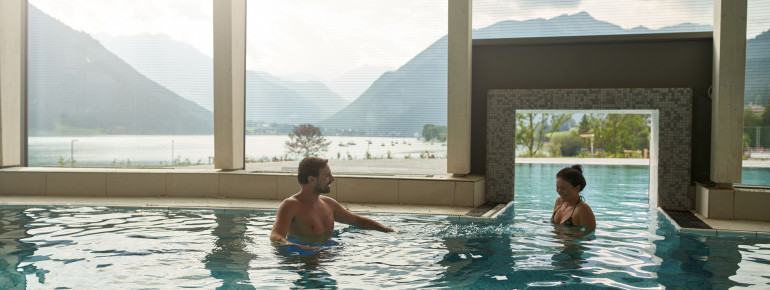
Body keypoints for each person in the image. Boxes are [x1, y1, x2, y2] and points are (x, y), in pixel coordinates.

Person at [270, 157, 394, 251]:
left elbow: (358, 221)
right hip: (305, 261)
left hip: (329, 255)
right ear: (311, 179)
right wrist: (300, 248)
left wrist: (386, 230)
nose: (332, 179)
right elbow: (276, 236)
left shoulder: (328, 203)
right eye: (327, 176)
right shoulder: (291, 205)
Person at [551, 165, 596, 229]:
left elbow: (589, 236)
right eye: (557, 187)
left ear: (577, 188)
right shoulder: (559, 201)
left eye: (563, 188)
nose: (559, 191)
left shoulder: (583, 209)